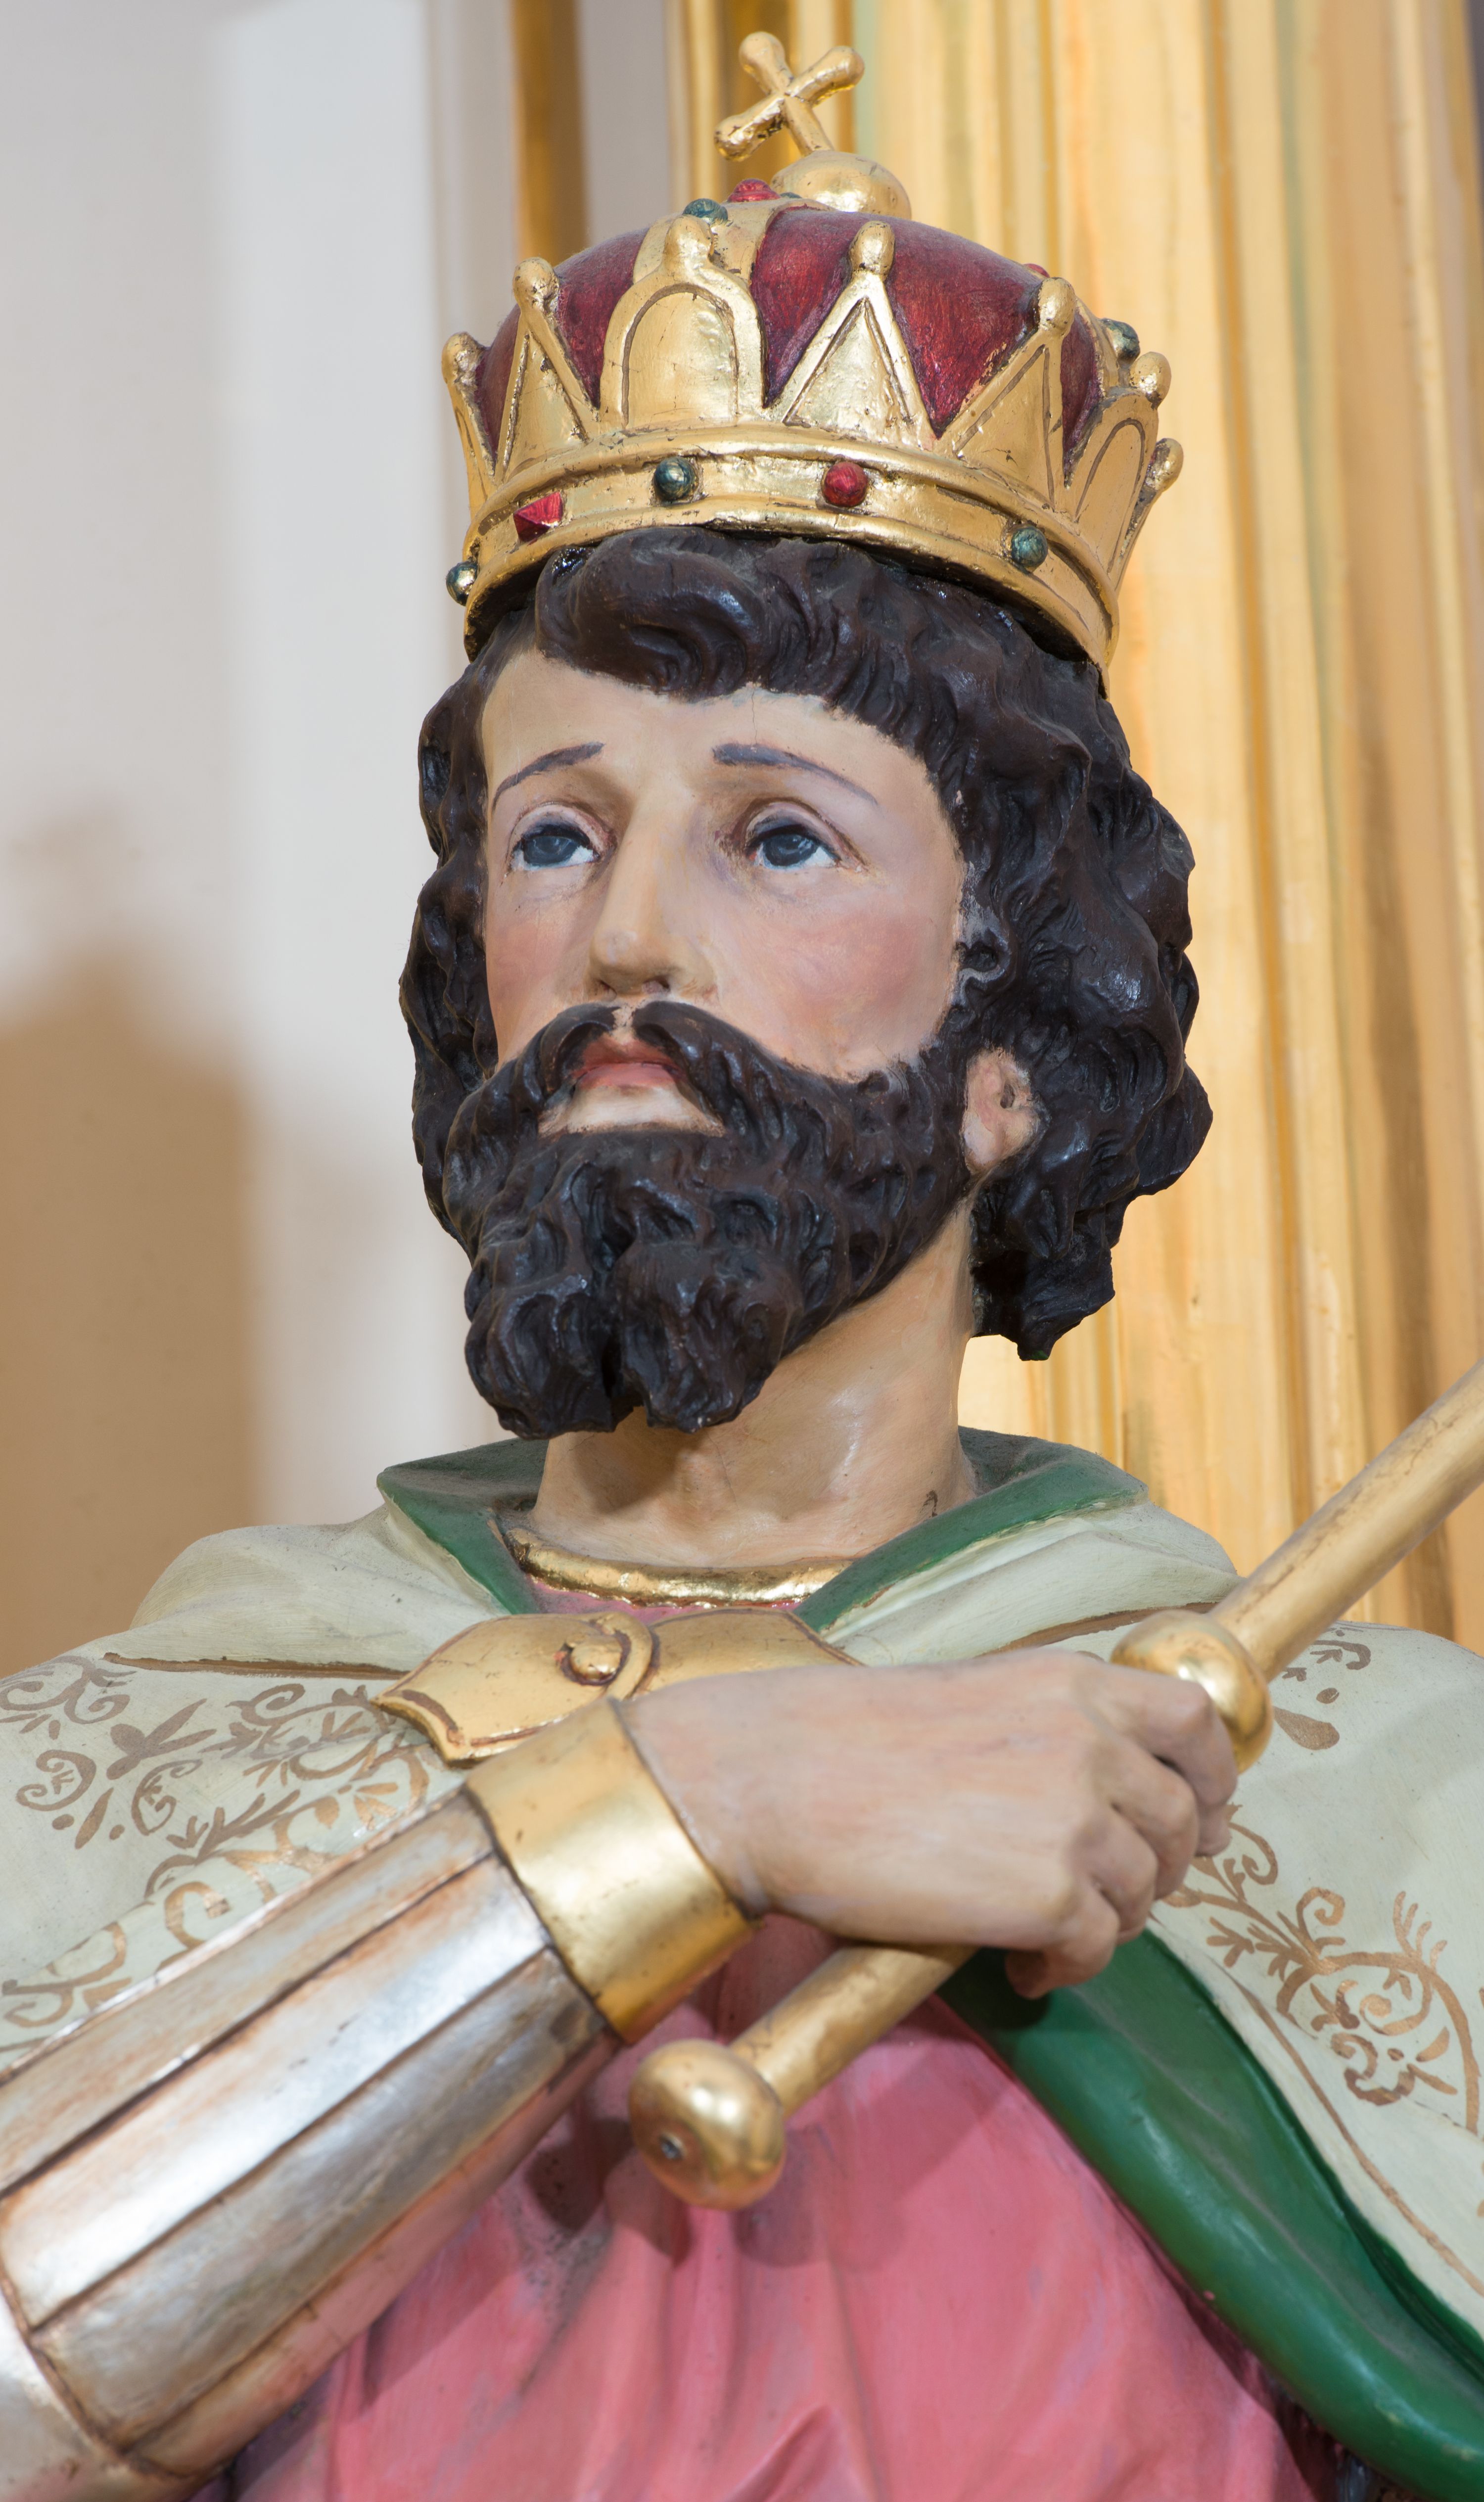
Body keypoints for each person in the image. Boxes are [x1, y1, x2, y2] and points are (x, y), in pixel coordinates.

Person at [0, 43, 1477, 2502]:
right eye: (553, 835)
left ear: (1016, 1047)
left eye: (780, 839)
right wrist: (695, 1798)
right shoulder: (106, 1771)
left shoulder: (1375, 1800)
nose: (625, 942)